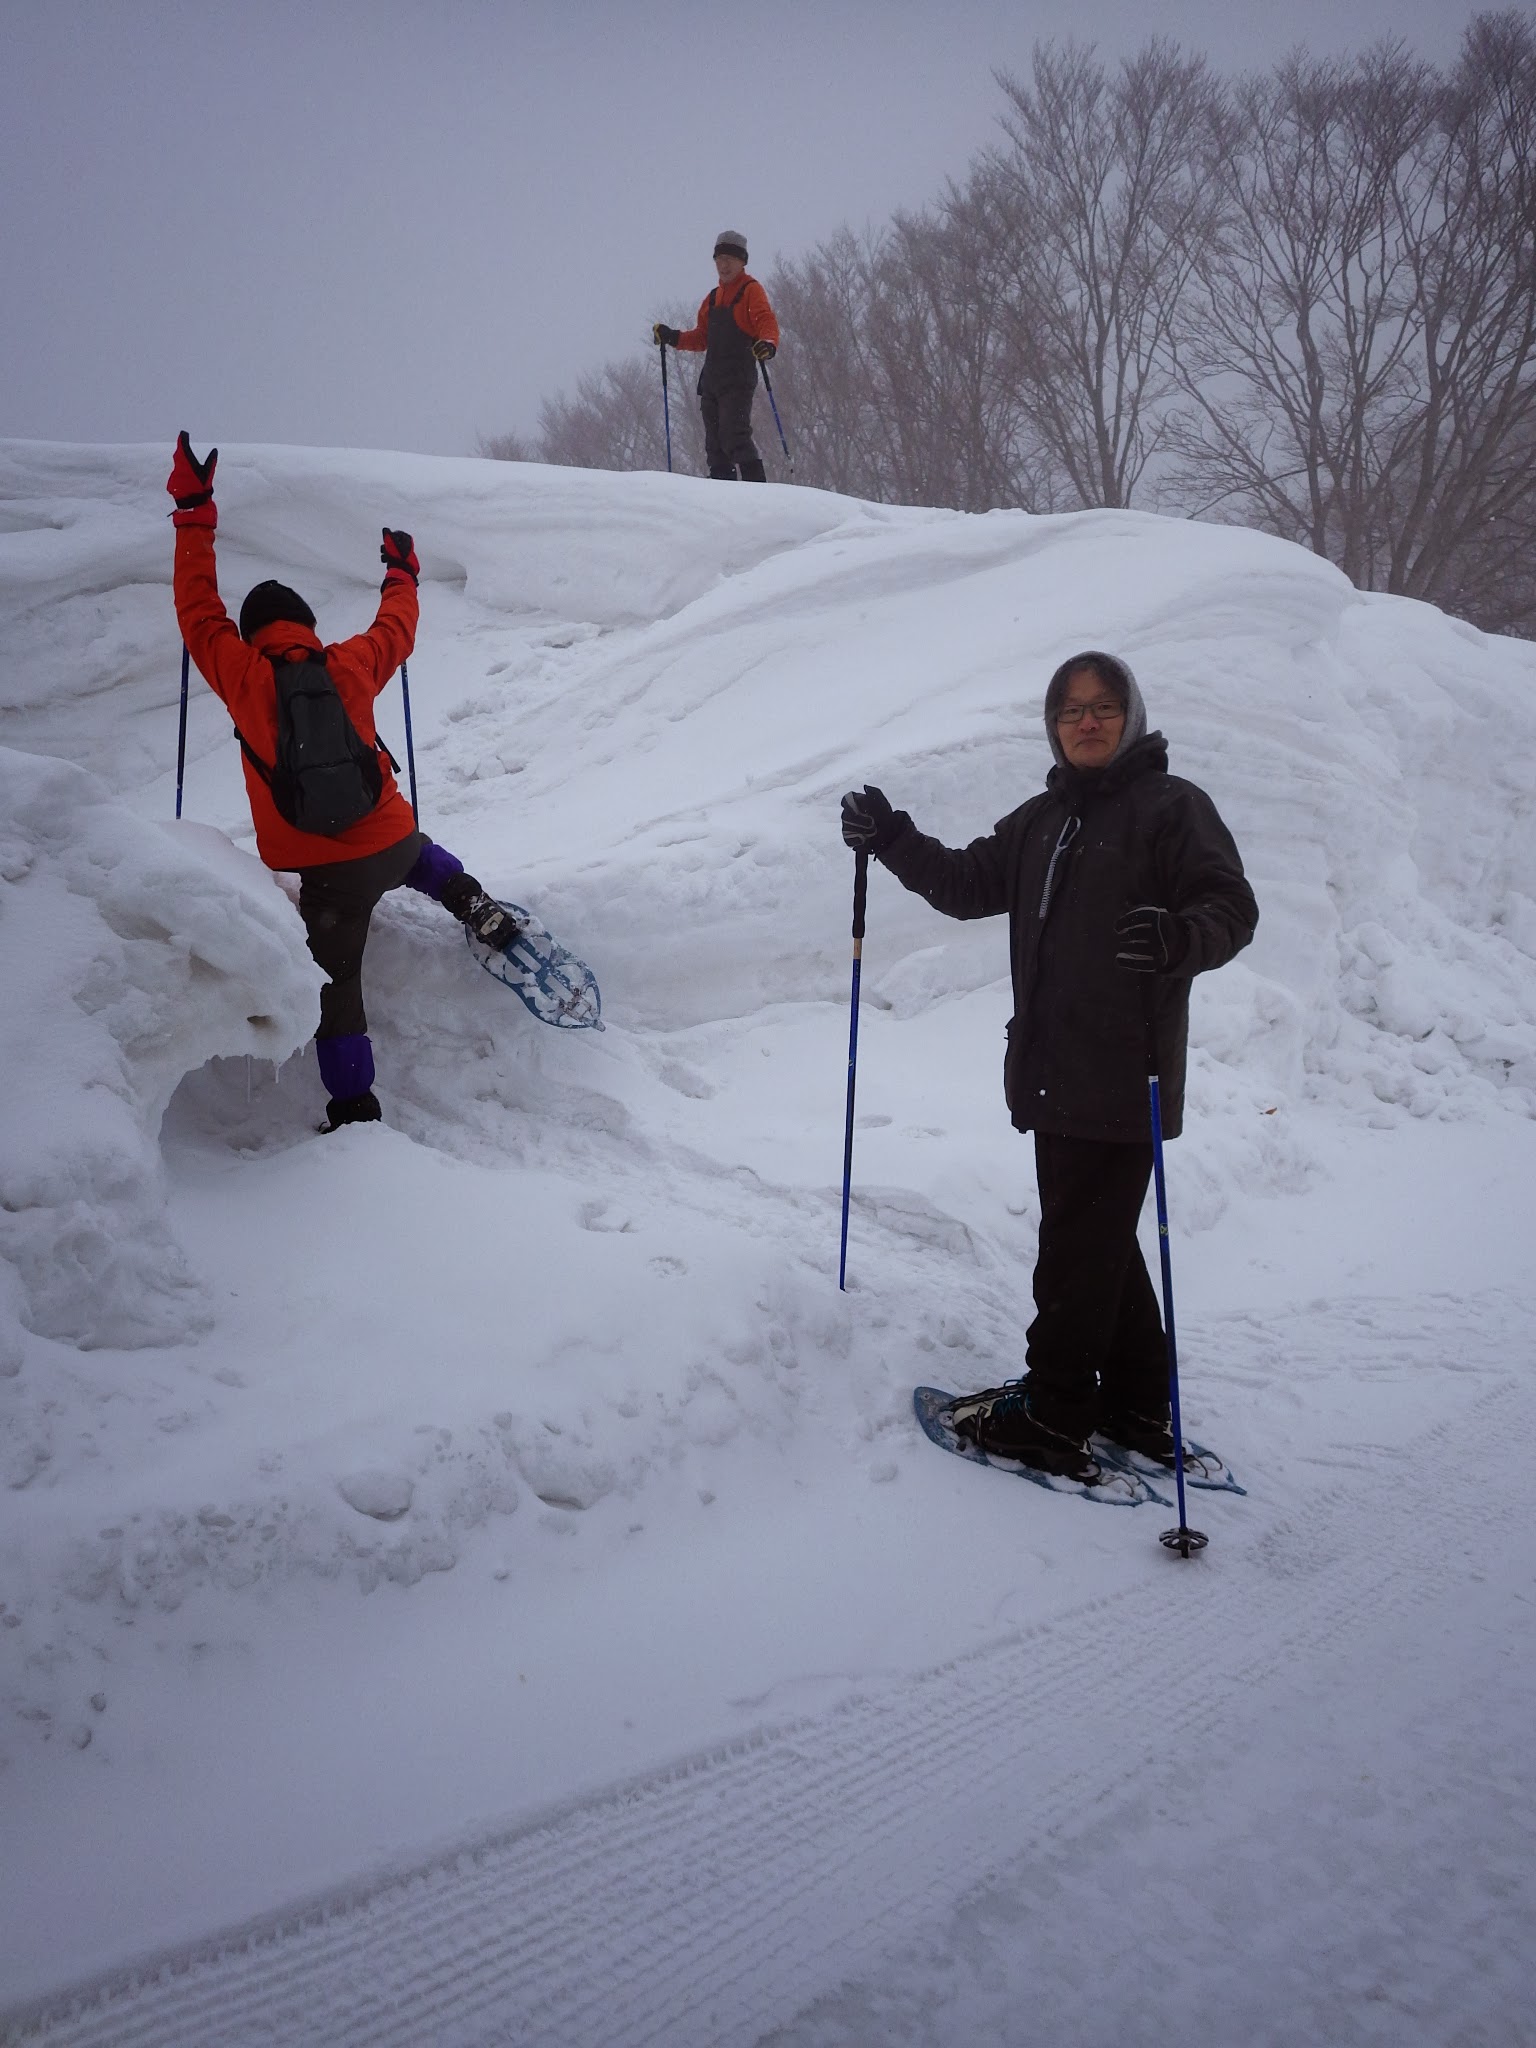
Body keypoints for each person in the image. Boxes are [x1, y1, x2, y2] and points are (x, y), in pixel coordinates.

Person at [840, 653, 1258, 1483]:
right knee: (1099, 1244)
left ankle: (1053, 1413)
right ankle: (1137, 1406)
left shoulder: (1172, 809)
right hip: (1049, 1072)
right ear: (1054, 727)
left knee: (1075, 1252)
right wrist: (893, 841)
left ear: (1131, 716)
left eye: (1104, 708)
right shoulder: (1042, 818)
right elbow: (965, 883)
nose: (1088, 722)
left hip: (1122, 1073)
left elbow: (1229, 906)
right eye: (1071, 712)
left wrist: (1180, 940)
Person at [167, 432, 520, 1132]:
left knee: (338, 987)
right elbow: (398, 628)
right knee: (415, 851)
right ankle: (477, 906)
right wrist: (401, 572)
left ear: (254, 631)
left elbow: (196, 608)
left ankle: (354, 1107)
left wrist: (194, 513)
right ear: (304, 624)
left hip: (322, 875)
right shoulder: (350, 664)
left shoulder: (241, 674)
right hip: (387, 839)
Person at [653, 230, 780, 482]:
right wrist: (673, 337)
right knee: (714, 444)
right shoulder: (711, 299)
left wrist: (768, 344)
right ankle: (722, 496)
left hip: (738, 376)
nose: (723, 265)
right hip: (711, 380)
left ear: (742, 261)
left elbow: (766, 320)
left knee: (735, 434)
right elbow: (701, 338)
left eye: (730, 259)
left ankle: (759, 494)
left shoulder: (750, 291)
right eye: (719, 259)